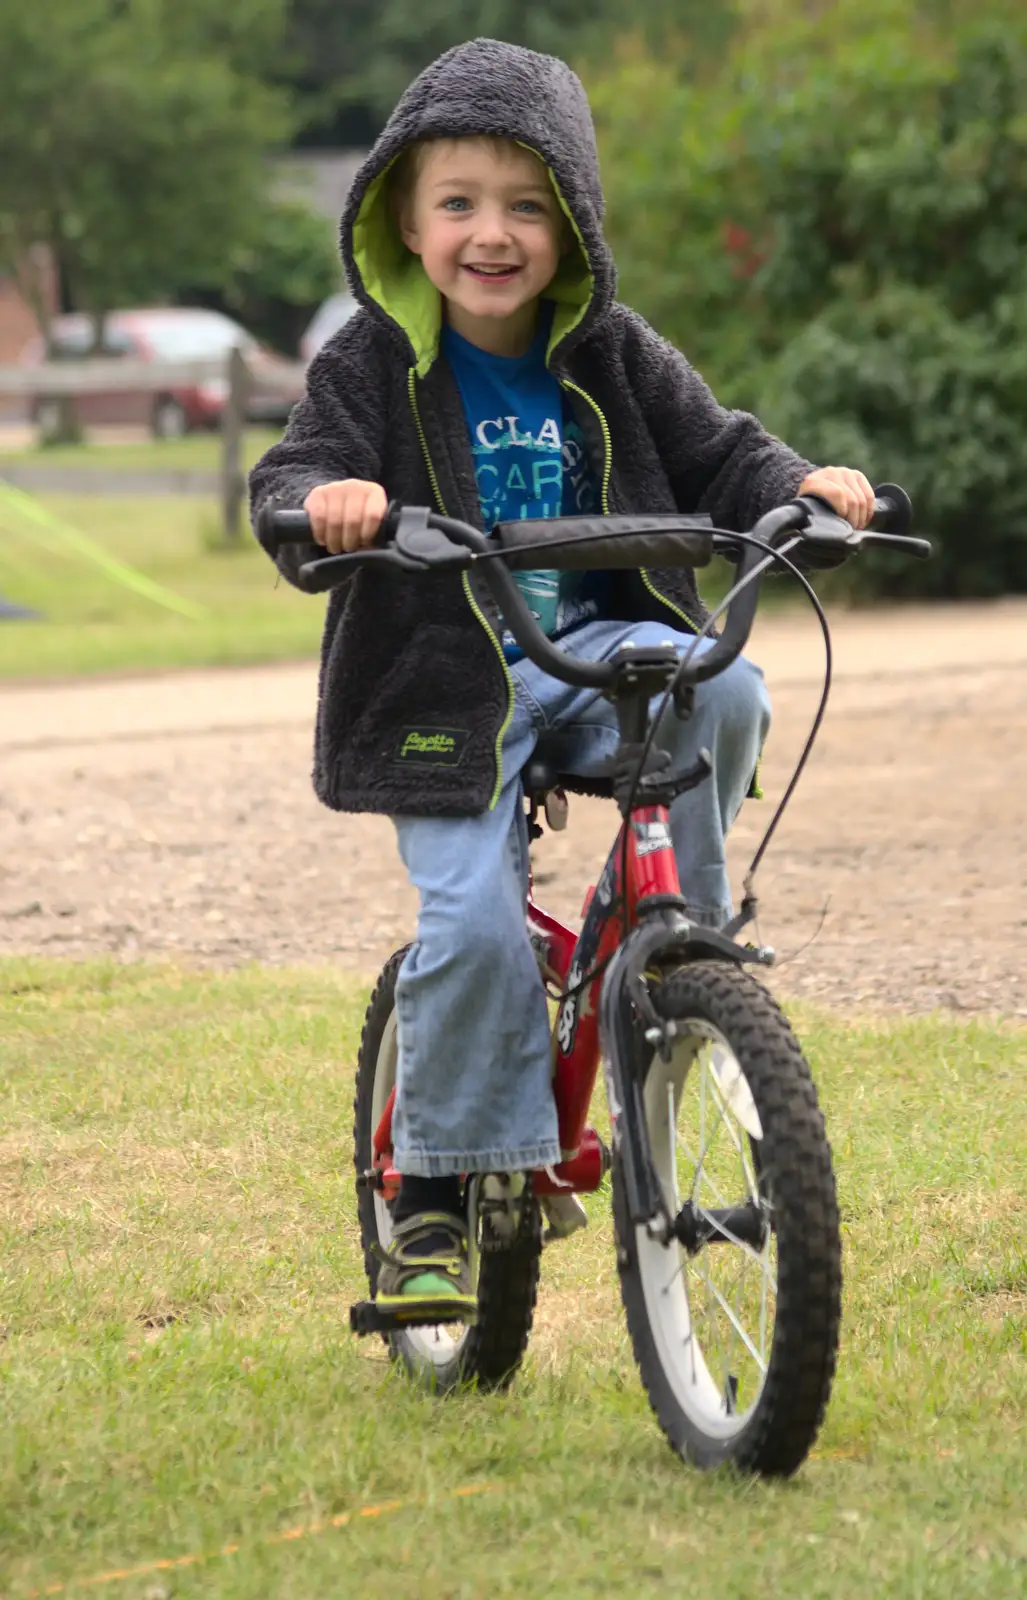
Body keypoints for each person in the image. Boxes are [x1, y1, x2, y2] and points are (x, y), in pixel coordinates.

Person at [250, 37, 874, 1320]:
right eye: (460, 204)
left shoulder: (612, 352)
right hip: (447, 687)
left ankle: (674, 945)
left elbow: (725, 455)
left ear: (574, 223)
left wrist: (801, 490)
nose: (494, 233)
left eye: (528, 205)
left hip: (594, 655)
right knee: (473, 924)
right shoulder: (369, 364)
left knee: (729, 687)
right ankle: (429, 1187)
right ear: (403, 223)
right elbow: (286, 479)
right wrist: (332, 502)